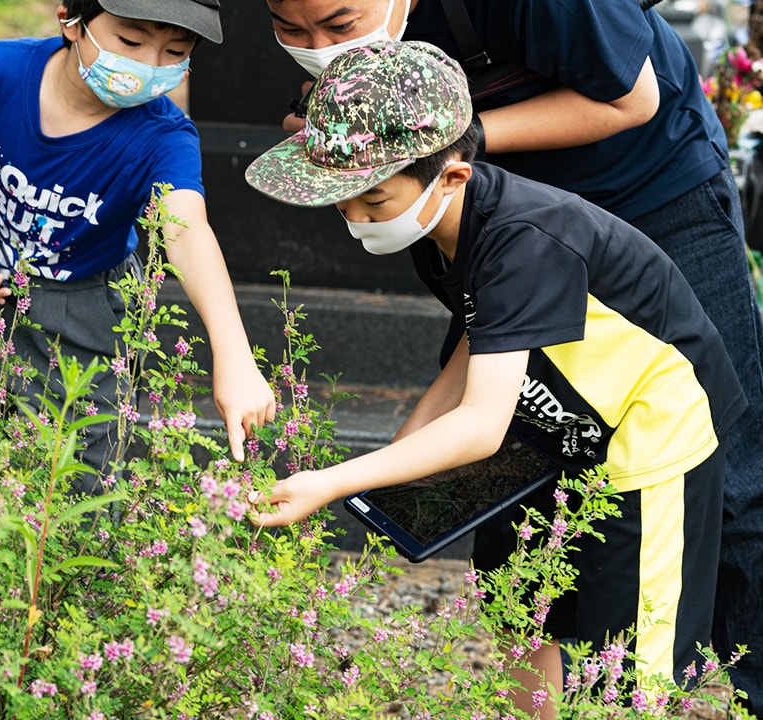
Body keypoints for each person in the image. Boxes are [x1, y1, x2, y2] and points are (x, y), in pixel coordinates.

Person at [265, 0, 763, 707]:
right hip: (562, 403)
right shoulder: (446, 225)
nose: (355, 222)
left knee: (631, 672)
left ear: (451, 173)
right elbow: (476, 349)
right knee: (518, 577)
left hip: (648, 441)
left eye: (371, 200)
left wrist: (334, 480)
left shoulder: (519, 242)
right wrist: (390, 496)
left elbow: (479, 425)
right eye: (343, 201)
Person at [0, 0, 276, 494]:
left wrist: (236, 357)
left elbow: (188, 230)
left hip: (85, 310)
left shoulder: (162, 138)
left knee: (77, 473)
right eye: (131, 42)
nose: (149, 65)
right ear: (71, 19)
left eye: (175, 50)